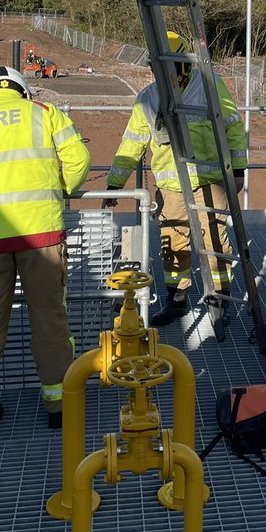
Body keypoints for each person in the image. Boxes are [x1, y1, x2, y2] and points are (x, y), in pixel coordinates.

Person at [0, 65, 91, 442]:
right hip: (42, 235)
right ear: (23, 91)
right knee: (50, 319)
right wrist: (60, 187)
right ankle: (60, 408)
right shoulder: (45, 113)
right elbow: (79, 162)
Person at [102, 31, 247, 329]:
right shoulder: (148, 99)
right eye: (159, 68)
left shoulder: (209, 87)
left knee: (215, 240)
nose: (165, 75)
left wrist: (238, 170)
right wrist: (115, 184)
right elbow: (132, 144)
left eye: (170, 67)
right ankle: (177, 301)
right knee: (173, 244)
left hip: (209, 181)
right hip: (171, 188)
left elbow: (232, 127)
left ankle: (220, 299)